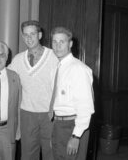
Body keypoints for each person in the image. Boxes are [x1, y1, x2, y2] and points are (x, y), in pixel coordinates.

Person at [8, 20, 58, 160]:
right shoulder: (18, 60)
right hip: (27, 114)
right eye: (25, 35)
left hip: (49, 114)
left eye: (33, 34)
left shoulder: (54, 56)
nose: (29, 38)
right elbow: (5, 77)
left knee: (51, 153)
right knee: (28, 154)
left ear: (40, 35)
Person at [50, 26, 94, 160]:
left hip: (73, 126)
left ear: (70, 44)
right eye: (54, 42)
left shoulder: (78, 69)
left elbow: (85, 107)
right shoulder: (57, 68)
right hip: (58, 124)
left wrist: (76, 136)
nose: (57, 46)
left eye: (62, 42)